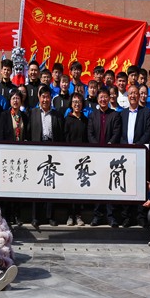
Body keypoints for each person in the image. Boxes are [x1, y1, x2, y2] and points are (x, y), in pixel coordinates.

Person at [117, 85, 150, 227]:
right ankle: (126, 216)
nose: (133, 96)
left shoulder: (146, 112)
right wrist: (127, 146)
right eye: (131, 93)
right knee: (126, 184)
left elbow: (148, 132)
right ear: (128, 96)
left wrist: (137, 146)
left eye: (135, 93)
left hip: (141, 154)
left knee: (140, 185)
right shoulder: (122, 114)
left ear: (139, 96)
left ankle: (140, 216)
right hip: (126, 155)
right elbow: (119, 134)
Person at [87, 89, 122, 227]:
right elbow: (90, 133)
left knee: (110, 185)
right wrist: (97, 148)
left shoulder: (115, 115)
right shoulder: (92, 115)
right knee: (97, 185)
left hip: (110, 156)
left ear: (109, 98)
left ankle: (111, 216)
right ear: (97, 99)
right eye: (101, 97)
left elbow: (116, 133)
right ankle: (97, 216)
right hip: (96, 155)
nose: (103, 100)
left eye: (105, 97)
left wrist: (109, 145)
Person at [28, 85, 62, 228]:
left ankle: (50, 216)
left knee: (51, 183)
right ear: (39, 97)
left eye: (48, 96)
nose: (45, 99)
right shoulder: (33, 113)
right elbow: (29, 132)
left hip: (52, 150)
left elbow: (60, 134)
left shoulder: (57, 114)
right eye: (43, 97)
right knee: (37, 183)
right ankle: (35, 217)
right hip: (37, 149)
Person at [63, 93, 88, 227]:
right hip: (69, 158)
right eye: (74, 102)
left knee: (79, 187)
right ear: (71, 104)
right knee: (69, 187)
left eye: (79, 102)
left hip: (82, 160)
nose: (77, 104)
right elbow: (65, 138)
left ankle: (78, 215)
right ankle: (69, 215)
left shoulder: (85, 120)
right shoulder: (67, 119)